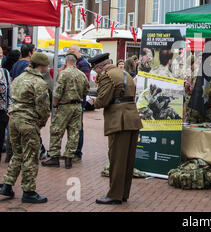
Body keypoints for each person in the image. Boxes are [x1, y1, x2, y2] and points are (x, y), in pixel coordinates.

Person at [89, 53, 142, 204]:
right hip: (132, 119)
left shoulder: (108, 75)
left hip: (119, 121)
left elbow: (103, 100)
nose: (97, 72)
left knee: (117, 159)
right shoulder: (124, 73)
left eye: (96, 69)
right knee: (128, 160)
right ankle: (123, 193)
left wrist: (94, 101)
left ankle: (114, 195)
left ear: (100, 67)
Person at [0, 52, 51, 203]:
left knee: (17, 154)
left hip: (14, 120)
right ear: (41, 65)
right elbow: (43, 108)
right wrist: (41, 122)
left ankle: (7, 185)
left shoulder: (19, 78)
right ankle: (29, 191)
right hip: (28, 122)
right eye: (47, 65)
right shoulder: (39, 82)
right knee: (30, 156)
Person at [41, 52, 89, 169]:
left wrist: (55, 105)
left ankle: (54, 157)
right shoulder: (81, 74)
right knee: (74, 133)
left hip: (64, 106)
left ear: (66, 61)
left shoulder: (63, 74)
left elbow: (57, 92)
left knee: (56, 131)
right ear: (76, 62)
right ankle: (69, 158)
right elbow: (86, 90)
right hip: (77, 106)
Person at [68, 44, 91, 162]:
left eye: (72, 50)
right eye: (69, 50)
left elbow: (85, 83)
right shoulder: (70, 63)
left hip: (78, 100)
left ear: (79, 52)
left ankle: (77, 153)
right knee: (71, 127)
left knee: (78, 127)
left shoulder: (83, 64)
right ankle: (71, 150)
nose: (70, 52)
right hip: (68, 102)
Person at [0, 65, 11, 162]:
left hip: (2, 112)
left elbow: (9, 93)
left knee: (1, 138)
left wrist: (8, 108)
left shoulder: (5, 73)